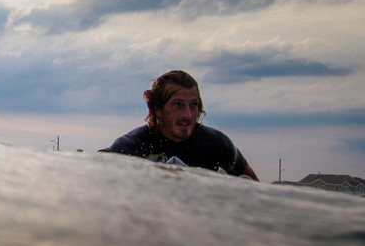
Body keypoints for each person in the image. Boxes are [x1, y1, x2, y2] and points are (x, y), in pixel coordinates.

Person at [100, 70, 259, 180]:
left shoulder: (217, 145)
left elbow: (258, 192)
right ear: (157, 109)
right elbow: (93, 172)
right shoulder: (133, 146)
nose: (187, 115)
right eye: (178, 105)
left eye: (193, 105)